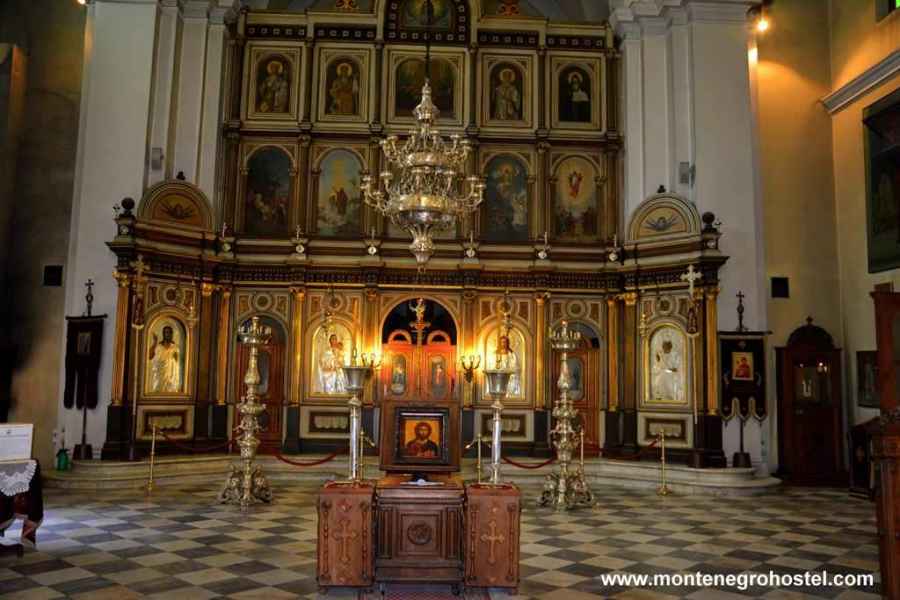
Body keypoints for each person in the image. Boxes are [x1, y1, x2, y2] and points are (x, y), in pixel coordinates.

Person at [149, 325, 181, 393]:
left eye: (170, 333)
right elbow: (149, 356)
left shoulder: (175, 348)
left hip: (171, 379)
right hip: (160, 377)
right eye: (166, 332)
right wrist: (154, 342)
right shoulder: (158, 347)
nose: (168, 334)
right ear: (163, 334)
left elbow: (179, 363)